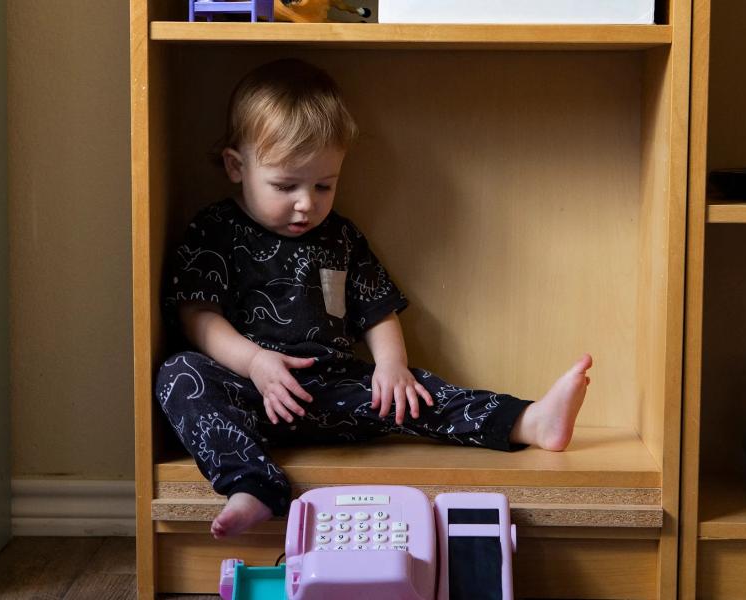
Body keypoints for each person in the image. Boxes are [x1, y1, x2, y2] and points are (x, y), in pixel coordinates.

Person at [156, 58, 592, 540]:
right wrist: (256, 363)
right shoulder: (213, 230)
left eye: (324, 185)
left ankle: (529, 422)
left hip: (334, 389)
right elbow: (197, 316)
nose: (307, 203)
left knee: (419, 391)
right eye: (285, 186)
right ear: (237, 167)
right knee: (180, 374)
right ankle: (252, 484)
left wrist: (391, 366)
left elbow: (376, 307)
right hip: (249, 392)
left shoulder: (339, 236)